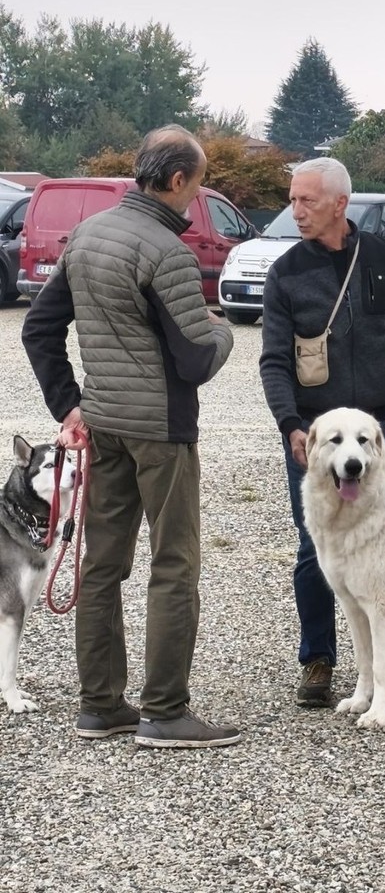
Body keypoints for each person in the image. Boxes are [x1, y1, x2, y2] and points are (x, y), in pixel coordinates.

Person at [22, 125, 242, 749]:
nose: (196, 196)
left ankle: (100, 706)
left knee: (101, 565)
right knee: (174, 565)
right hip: (161, 432)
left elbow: (38, 329)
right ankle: (165, 712)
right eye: (197, 185)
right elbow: (196, 360)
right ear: (176, 179)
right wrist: (223, 330)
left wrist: (70, 406)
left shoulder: (88, 233)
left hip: (103, 425)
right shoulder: (168, 253)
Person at [259, 157, 385, 708]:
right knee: (316, 549)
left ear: (339, 203)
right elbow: (274, 360)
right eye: (292, 199)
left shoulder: (383, 256)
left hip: (375, 431)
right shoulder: (285, 272)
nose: (295, 210)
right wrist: (291, 426)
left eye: (306, 200)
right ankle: (318, 660)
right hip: (316, 437)